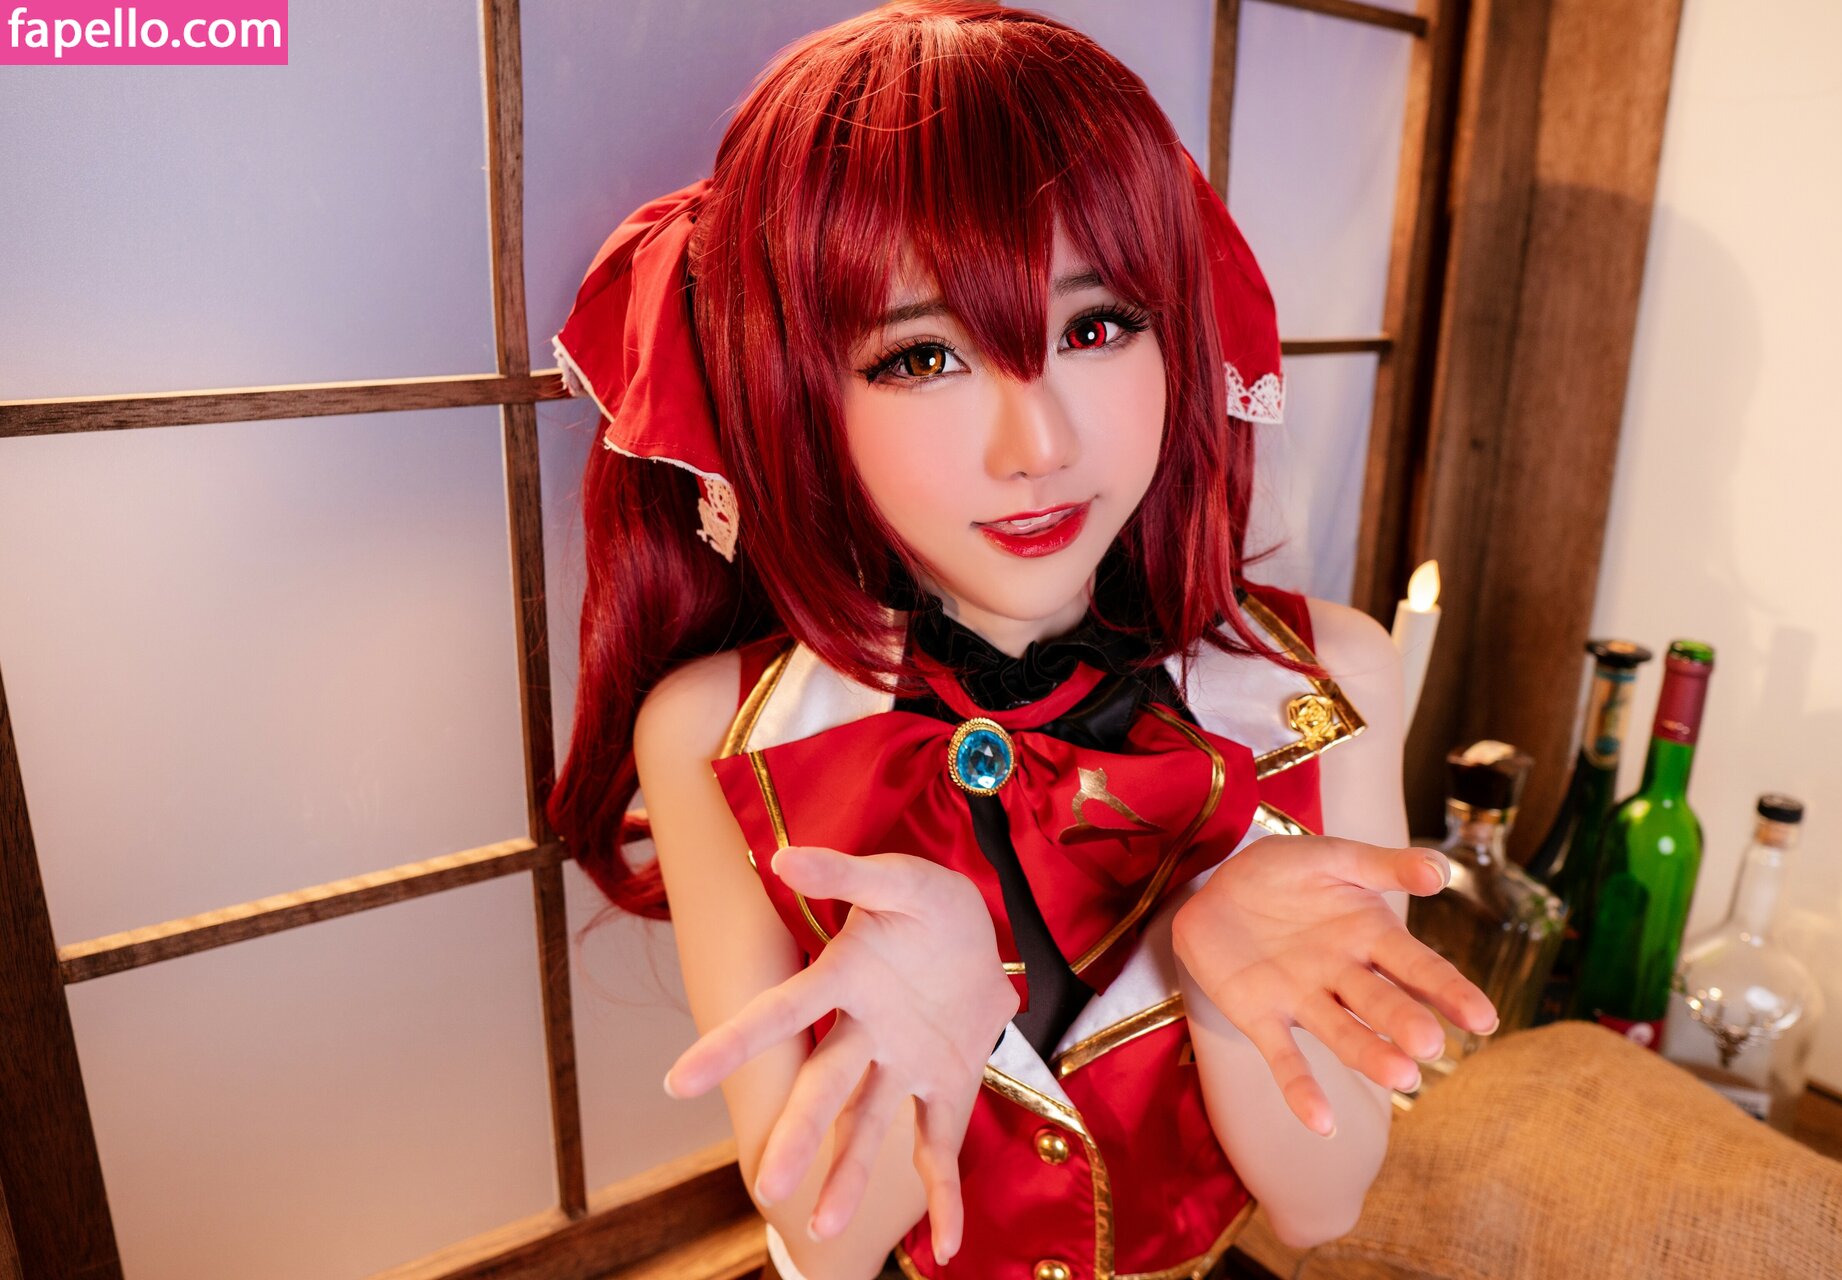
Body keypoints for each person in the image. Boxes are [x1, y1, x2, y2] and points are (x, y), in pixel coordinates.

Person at [542, 4, 1499, 1279]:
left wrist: (1219, 960)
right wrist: (924, 1026)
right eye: (920, 356)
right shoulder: (719, 730)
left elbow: (1322, 1203)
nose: (1037, 445)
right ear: (796, 392)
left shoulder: (1327, 676)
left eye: (1095, 328)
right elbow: (825, 1252)